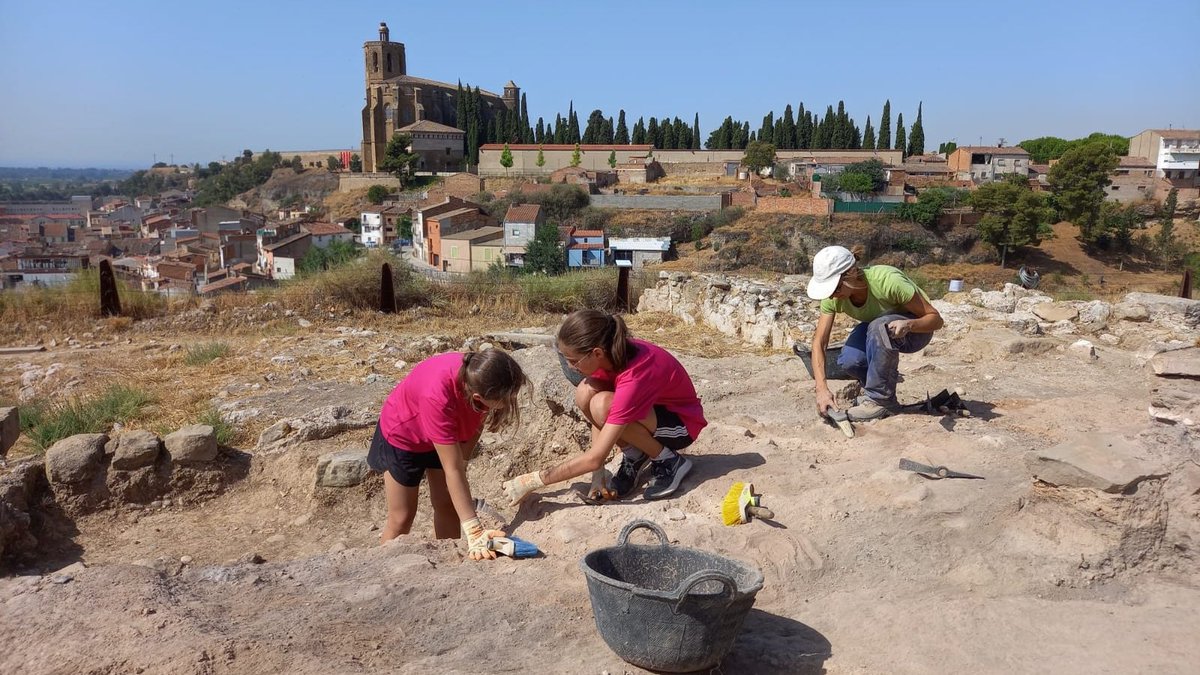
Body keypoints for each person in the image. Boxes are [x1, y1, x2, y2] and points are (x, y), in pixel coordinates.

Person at [502, 309, 707, 505]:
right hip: (653, 412)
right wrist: (597, 478)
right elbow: (596, 420)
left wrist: (535, 480)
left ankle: (669, 460)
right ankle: (636, 454)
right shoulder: (610, 356)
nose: (572, 367)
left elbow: (595, 457)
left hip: (681, 425)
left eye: (574, 361)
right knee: (586, 392)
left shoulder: (634, 376)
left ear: (596, 353)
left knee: (604, 405)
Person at [367, 349, 528, 560]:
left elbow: (475, 424)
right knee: (401, 517)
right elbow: (452, 469)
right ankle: (382, 566)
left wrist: (463, 459)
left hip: (445, 433)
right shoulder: (437, 397)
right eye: (506, 401)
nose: (510, 404)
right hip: (404, 438)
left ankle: (447, 563)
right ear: (478, 397)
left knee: (448, 505)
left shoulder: (480, 374)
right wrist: (474, 530)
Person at [807, 245, 943, 422]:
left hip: (917, 330)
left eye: (836, 289)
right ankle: (875, 389)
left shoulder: (888, 281)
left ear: (851, 273)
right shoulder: (833, 298)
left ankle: (881, 401)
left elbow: (936, 320)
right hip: (877, 329)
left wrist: (909, 324)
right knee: (850, 360)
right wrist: (821, 389)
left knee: (879, 327)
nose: (832, 296)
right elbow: (819, 342)